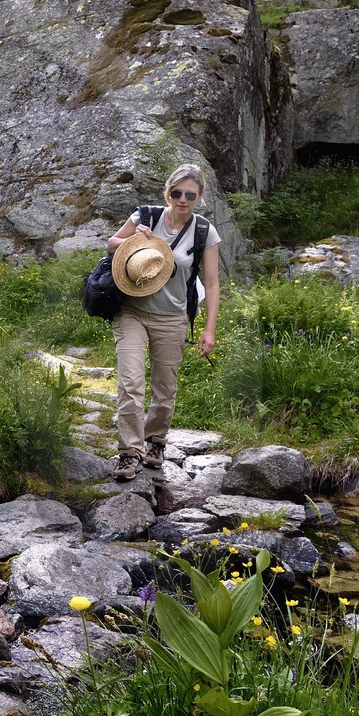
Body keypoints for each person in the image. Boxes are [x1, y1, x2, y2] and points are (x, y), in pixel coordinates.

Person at [104, 163, 221, 481]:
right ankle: (129, 452)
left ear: (199, 198)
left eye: (190, 195)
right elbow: (111, 243)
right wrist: (137, 240)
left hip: (173, 318)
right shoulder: (145, 216)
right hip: (132, 312)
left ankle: (155, 442)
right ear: (168, 192)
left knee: (164, 387)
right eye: (177, 193)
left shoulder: (203, 231)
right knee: (131, 382)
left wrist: (209, 330)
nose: (183, 199)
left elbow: (211, 283)